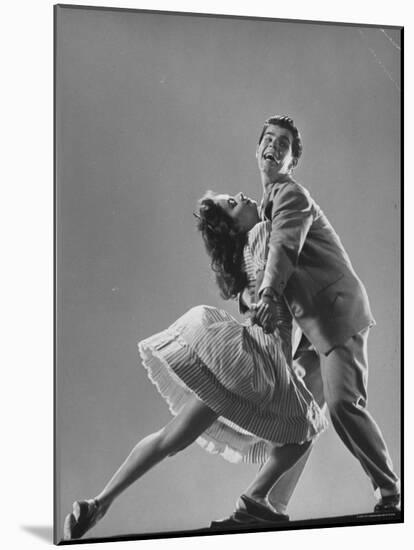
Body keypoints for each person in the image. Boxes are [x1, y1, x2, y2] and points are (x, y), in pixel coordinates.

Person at [63, 191, 327, 540]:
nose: (241, 197)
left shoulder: (247, 258)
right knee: (305, 429)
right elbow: (283, 296)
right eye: (233, 203)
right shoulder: (263, 235)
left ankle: (99, 502)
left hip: (242, 361)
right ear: (234, 228)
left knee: (171, 438)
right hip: (262, 362)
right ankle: (257, 500)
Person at [244, 115, 400, 516]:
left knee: (343, 405)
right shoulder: (268, 207)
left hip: (337, 316)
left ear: (292, 160)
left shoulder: (290, 195)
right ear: (257, 148)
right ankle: (268, 503)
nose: (274, 147)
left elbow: (284, 249)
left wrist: (265, 291)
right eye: (269, 139)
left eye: (284, 144)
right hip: (315, 330)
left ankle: (391, 494)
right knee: (299, 417)